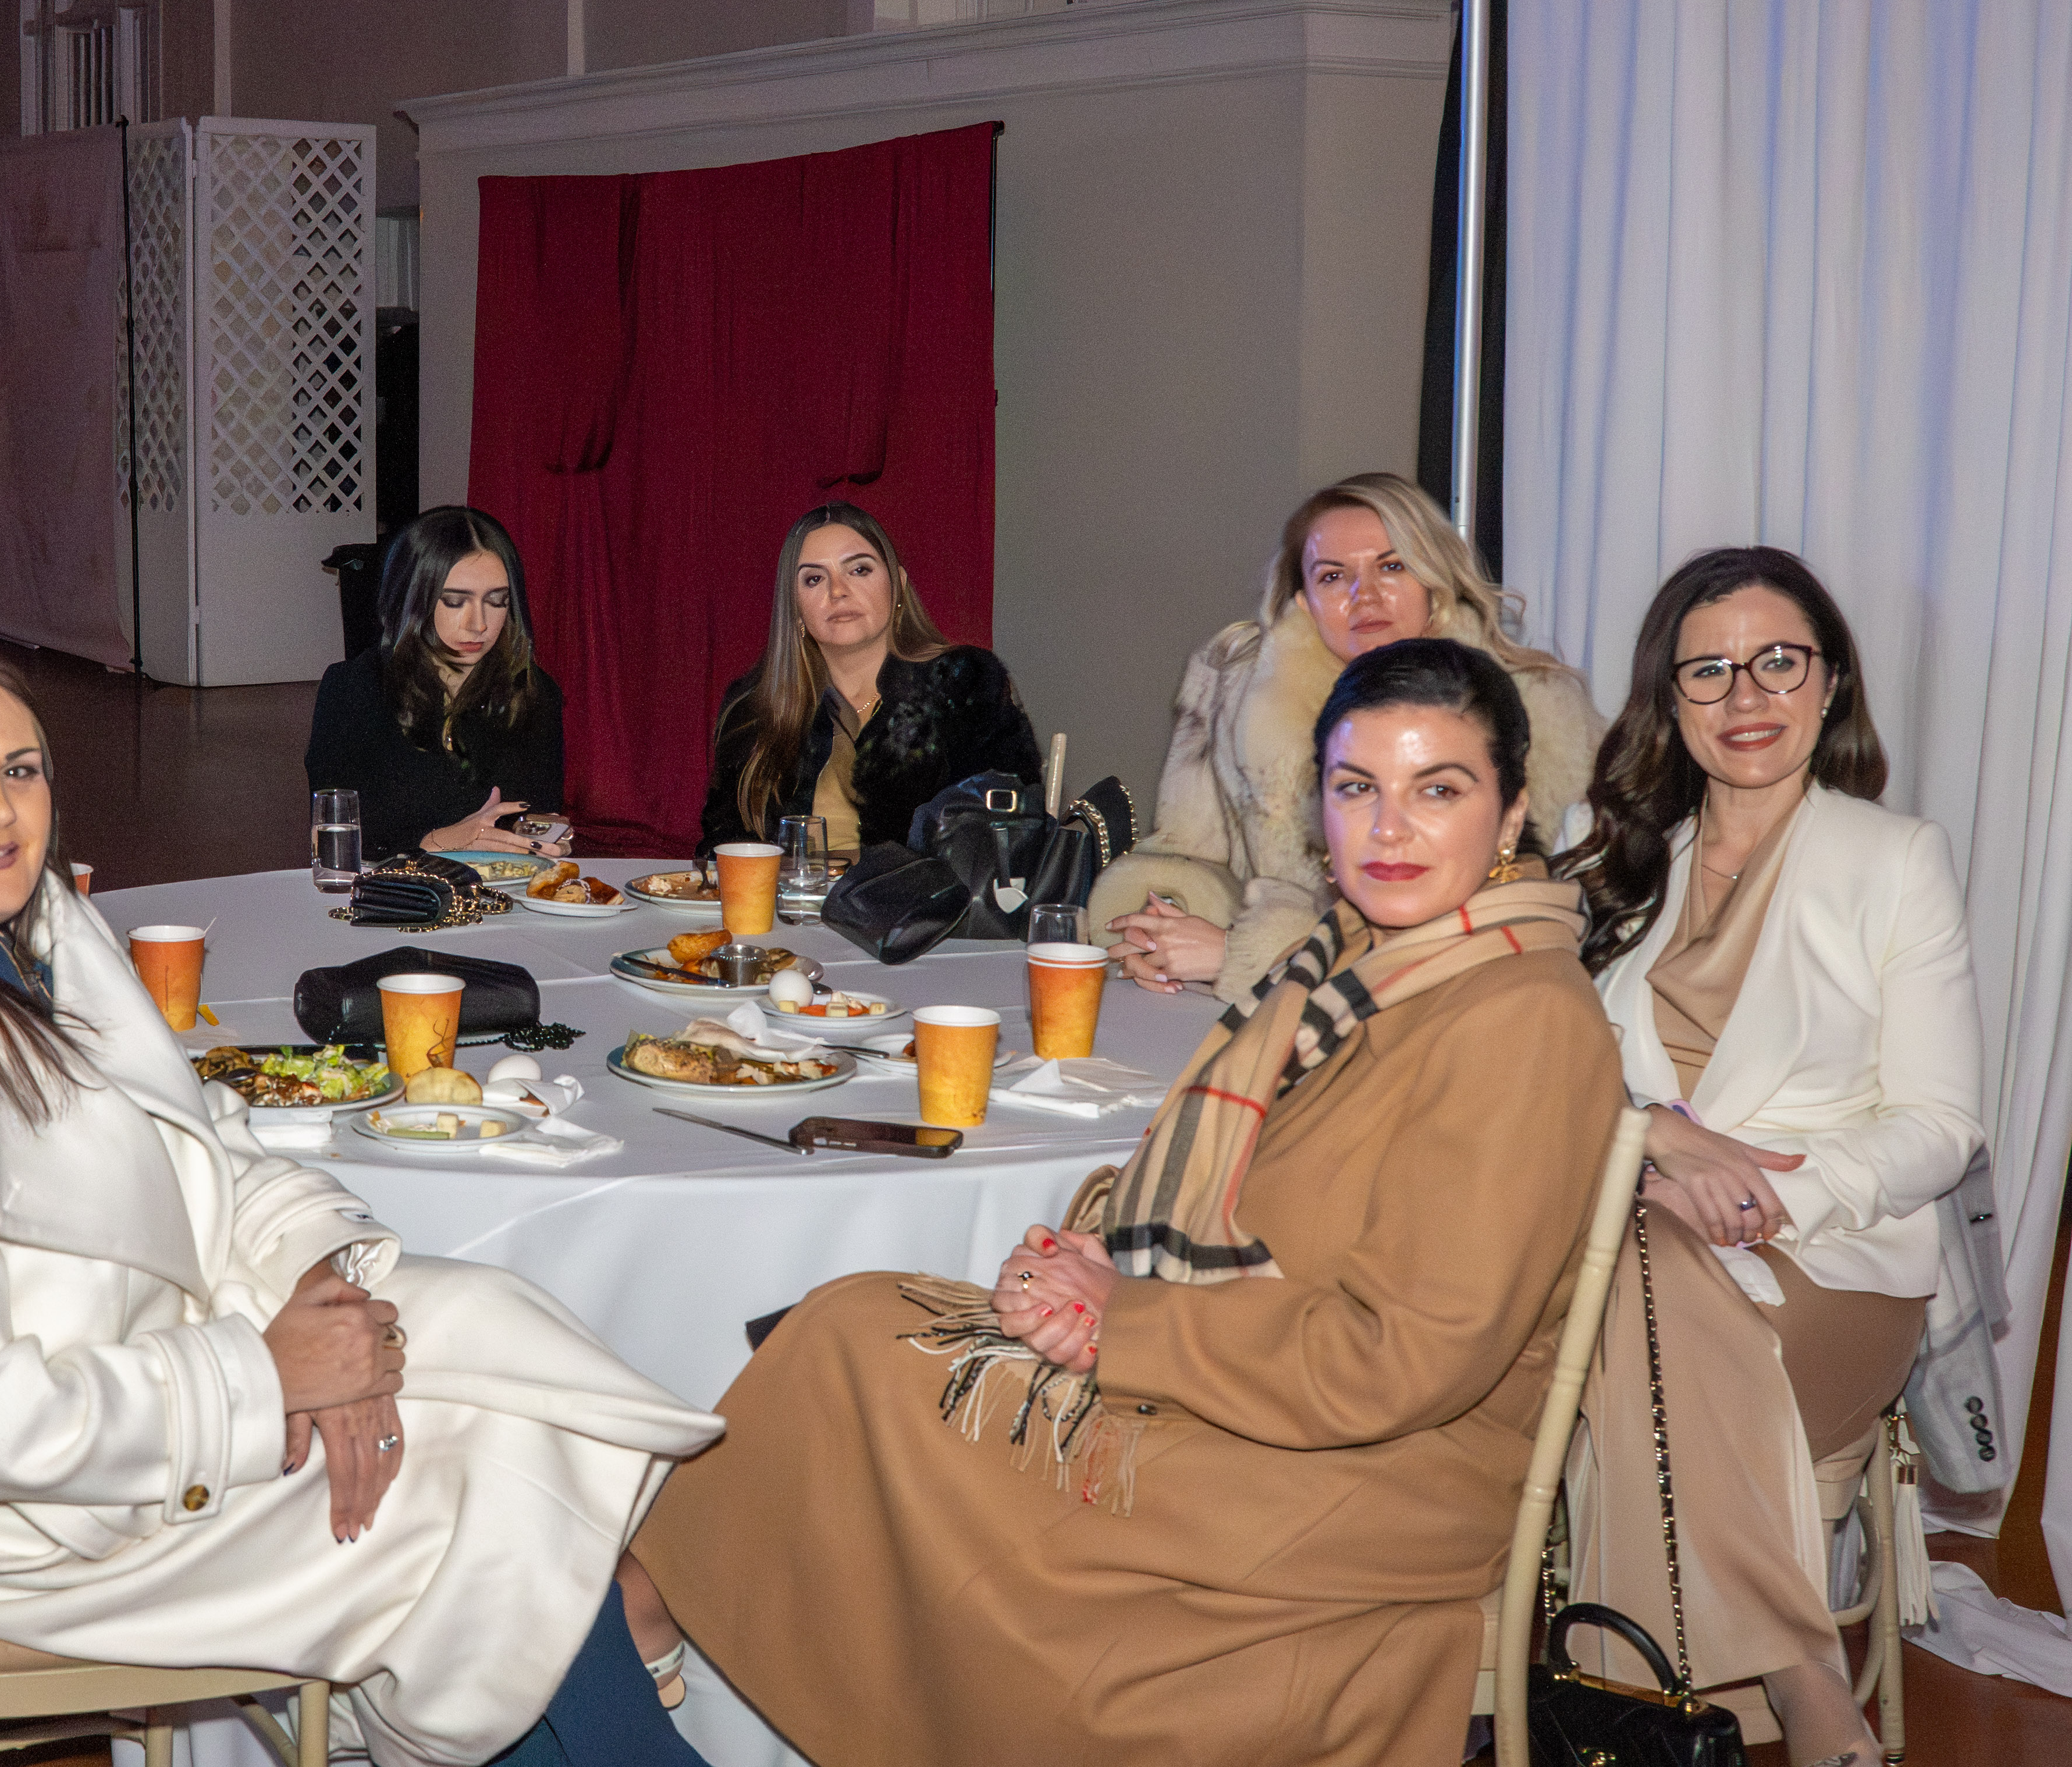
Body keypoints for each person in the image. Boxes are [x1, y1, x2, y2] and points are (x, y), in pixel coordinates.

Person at [627, 638, 1624, 1767]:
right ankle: (649, 1621)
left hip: (1370, 1472)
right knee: (846, 1323)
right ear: (1319, 811)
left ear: (1507, 819)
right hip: (1247, 1367)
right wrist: (1086, 1245)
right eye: (1357, 788)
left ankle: (639, 1635)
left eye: (1435, 789)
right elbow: (1214, 1174)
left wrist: (1121, 1318)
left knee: (852, 1353)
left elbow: (1406, 1357)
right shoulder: (1350, 962)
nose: (1388, 827)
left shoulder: (1519, 1015)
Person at [0, 640, 720, 1767]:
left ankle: (611, 1652)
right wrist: (269, 1377)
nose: (0, 810)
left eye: (22, 768)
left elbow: (205, 1139)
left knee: (497, 1355)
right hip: (30, 1512)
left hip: (141, 1370)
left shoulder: (29, 931)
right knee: (489, 1501)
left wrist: (321, 1287)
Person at [1548, 548, 1981, 1767]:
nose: (1745, 695)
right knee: (1627, 1253)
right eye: (1709, 670)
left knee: (1618, 1273)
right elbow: (1538, 1063)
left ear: (1828, 680)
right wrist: (1653, 1141)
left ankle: (1655, 1699)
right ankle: (1797, 1674)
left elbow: (1942, 1123)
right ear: (1669, 702)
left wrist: (1764, 1197)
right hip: (1633, 1235)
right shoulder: (1606, 850)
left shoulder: (1892, 860)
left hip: (1828, 1271)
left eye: (1776, 660)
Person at [1097, 470, 1605, 1005]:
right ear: (1303, 601)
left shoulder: (1533, 707)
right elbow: (1190, 858)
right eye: (1334, 577)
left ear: (1435, 585)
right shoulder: (1238, 688)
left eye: (1392, 567)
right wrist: (1157, 929)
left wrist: (1246, 955)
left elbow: (1522, 925)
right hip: (1257, 1010)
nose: (1365, 596)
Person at [696, 502, 1036, 856]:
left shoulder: (963, 681)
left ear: (899, 585)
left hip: (924, 907)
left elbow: (1006, 836)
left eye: (859, 570)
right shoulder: (753, 707)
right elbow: (723, 849)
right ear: (794, 607)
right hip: (784, 909)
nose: (837, 591)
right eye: (814, 578)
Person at [304, 506, 567, 859]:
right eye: (456, 602)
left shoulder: (533, 692)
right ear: (413, 598)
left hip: (503, 893)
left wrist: (543, 836)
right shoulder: (353, 689)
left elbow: (535, 816)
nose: (479, 624)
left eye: (497, 602)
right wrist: (442, 841)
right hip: (395, 894)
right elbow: (333, 842)